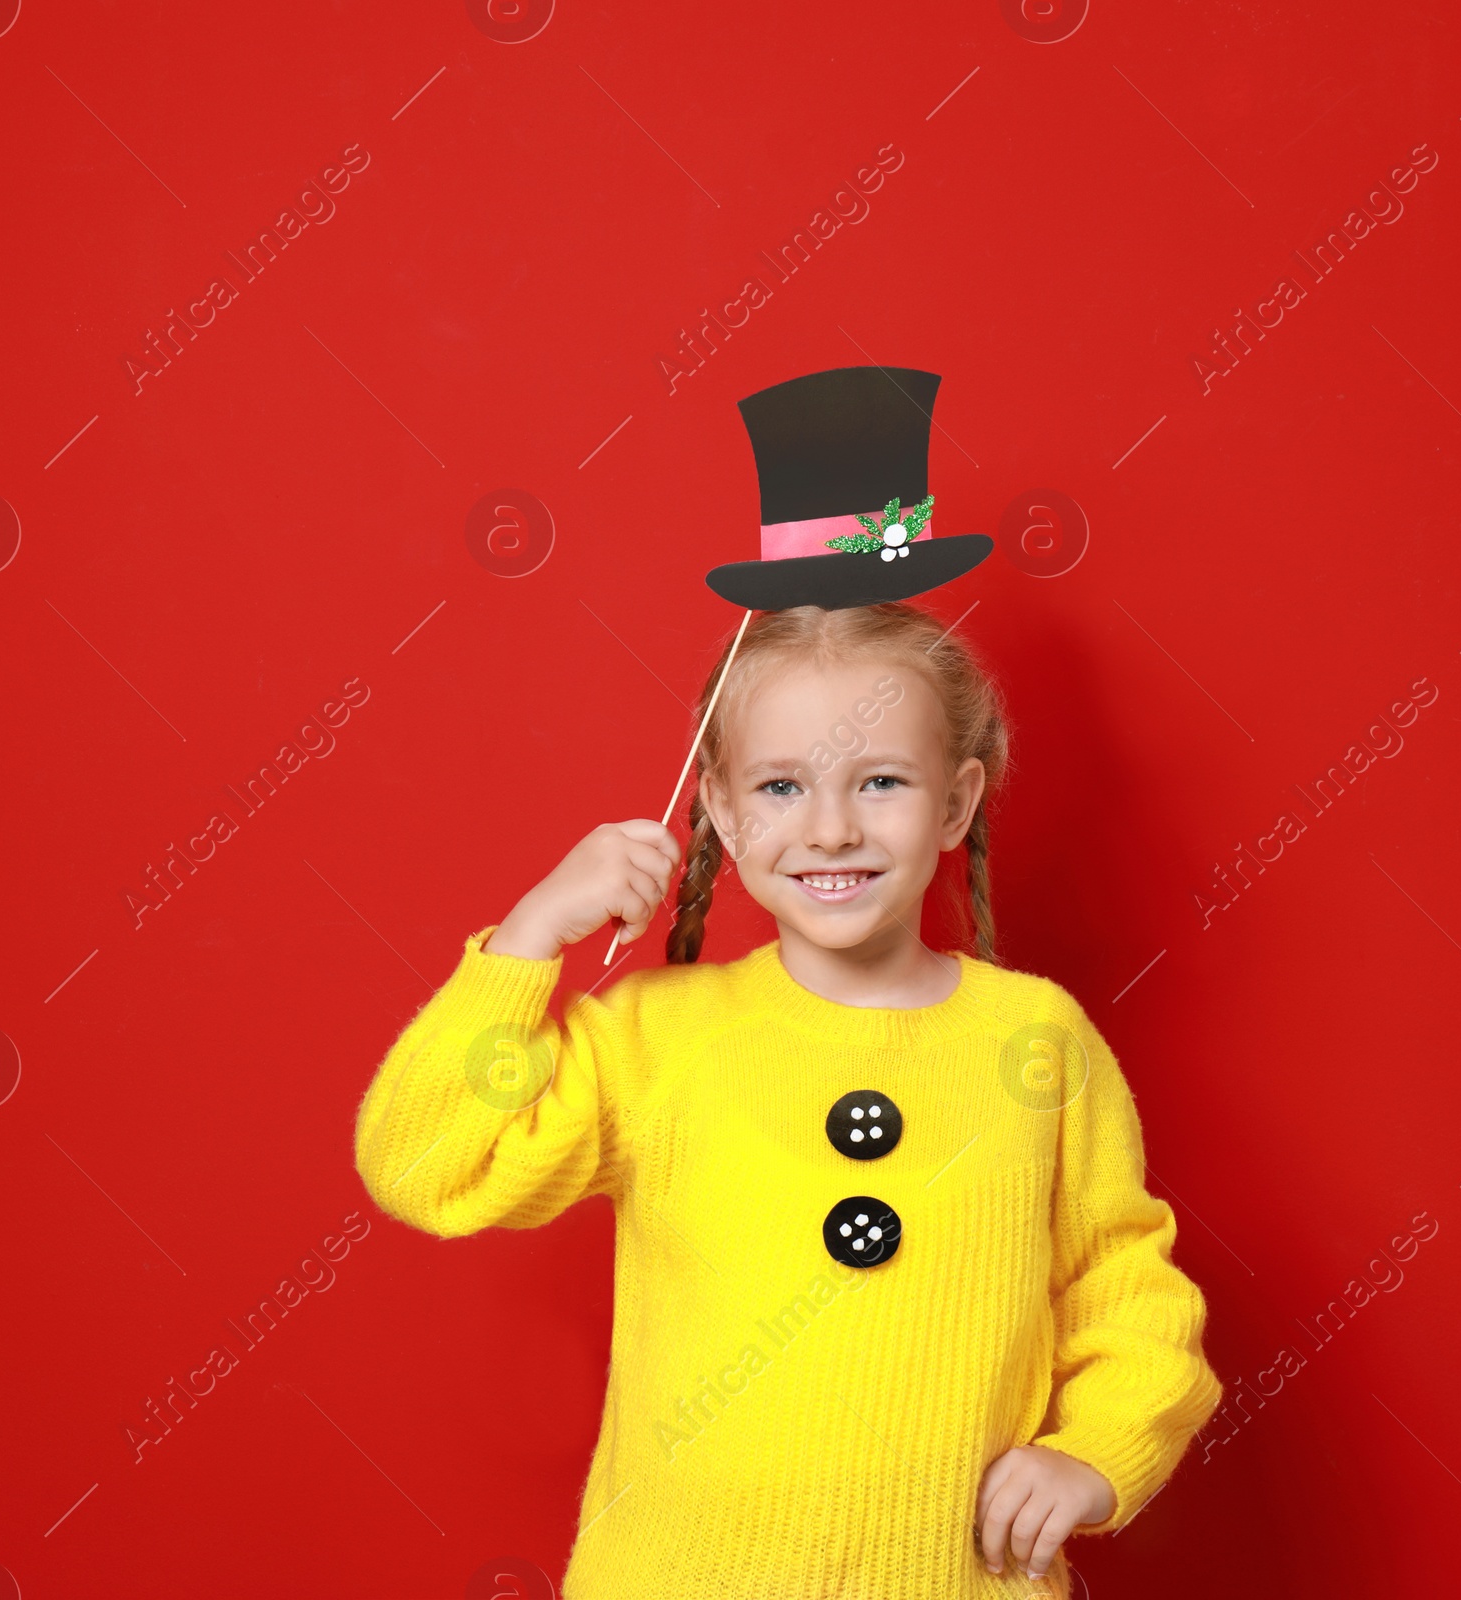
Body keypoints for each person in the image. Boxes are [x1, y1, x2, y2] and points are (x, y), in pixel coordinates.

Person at [352, 367, 1222, 1598]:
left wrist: (1095, 1453)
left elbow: (1124, 1288)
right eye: (779, 787)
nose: (827, 829)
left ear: (957, 801)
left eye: (879, 781)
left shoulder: (1037, 1039)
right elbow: (423, 1161)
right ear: (715, 809)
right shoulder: (653, 1037)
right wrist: (526, 943)